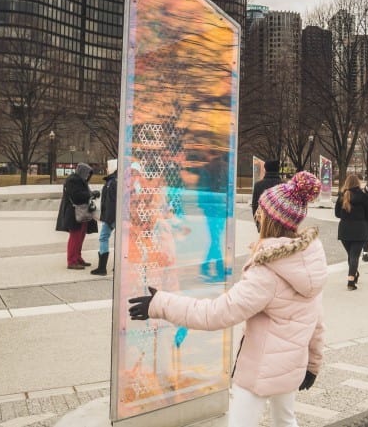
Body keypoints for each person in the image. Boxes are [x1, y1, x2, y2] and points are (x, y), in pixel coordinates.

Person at [128, 171, 326, 427]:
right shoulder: (309, 259)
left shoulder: (268, 273)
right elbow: (317, 320)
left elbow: (216, 313)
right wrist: (313, 364)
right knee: (285, 421)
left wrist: (161, 304)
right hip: (291, 366)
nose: (257, 215)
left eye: (260, 212)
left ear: (267, 218)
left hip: (259, 371)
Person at [55, 162, 100, 269]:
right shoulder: (73, 180)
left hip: (81, 213)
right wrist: (91, 194)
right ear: (83, 172)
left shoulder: (80, 181)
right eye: (88, 173)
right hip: (74, 213)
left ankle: (78, 258)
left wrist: (91, 194)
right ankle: (72, 261)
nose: (88, 176)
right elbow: (76, 196)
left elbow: (82, 194)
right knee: (75, 237)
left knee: (80, 237)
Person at [335, 173, 368, 290]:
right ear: (358, 183)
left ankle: (354, 274)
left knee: (351, 256)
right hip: (359, 230)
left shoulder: (342, 196)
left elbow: (337, 214)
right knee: (354, 256)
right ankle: (351, 281)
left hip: (344, 230)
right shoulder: (363, 196)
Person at [91, 159, 117, 276]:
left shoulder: (112, 183)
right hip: (113, 216)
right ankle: (109, 267)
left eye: (108, 167)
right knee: (116, 240)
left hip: (111, 216)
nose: (107, 169)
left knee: (104, 238)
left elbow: (112, 203)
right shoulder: (114, 181)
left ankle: (102, 268)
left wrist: (108, 219)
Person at [251, 159, 282, 231]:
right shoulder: (284, 185)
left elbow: (255, 206)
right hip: (280, 228)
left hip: (263, 225)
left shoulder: (258, 185)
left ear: (265, 169)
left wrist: (259, 225)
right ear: (278, 169)